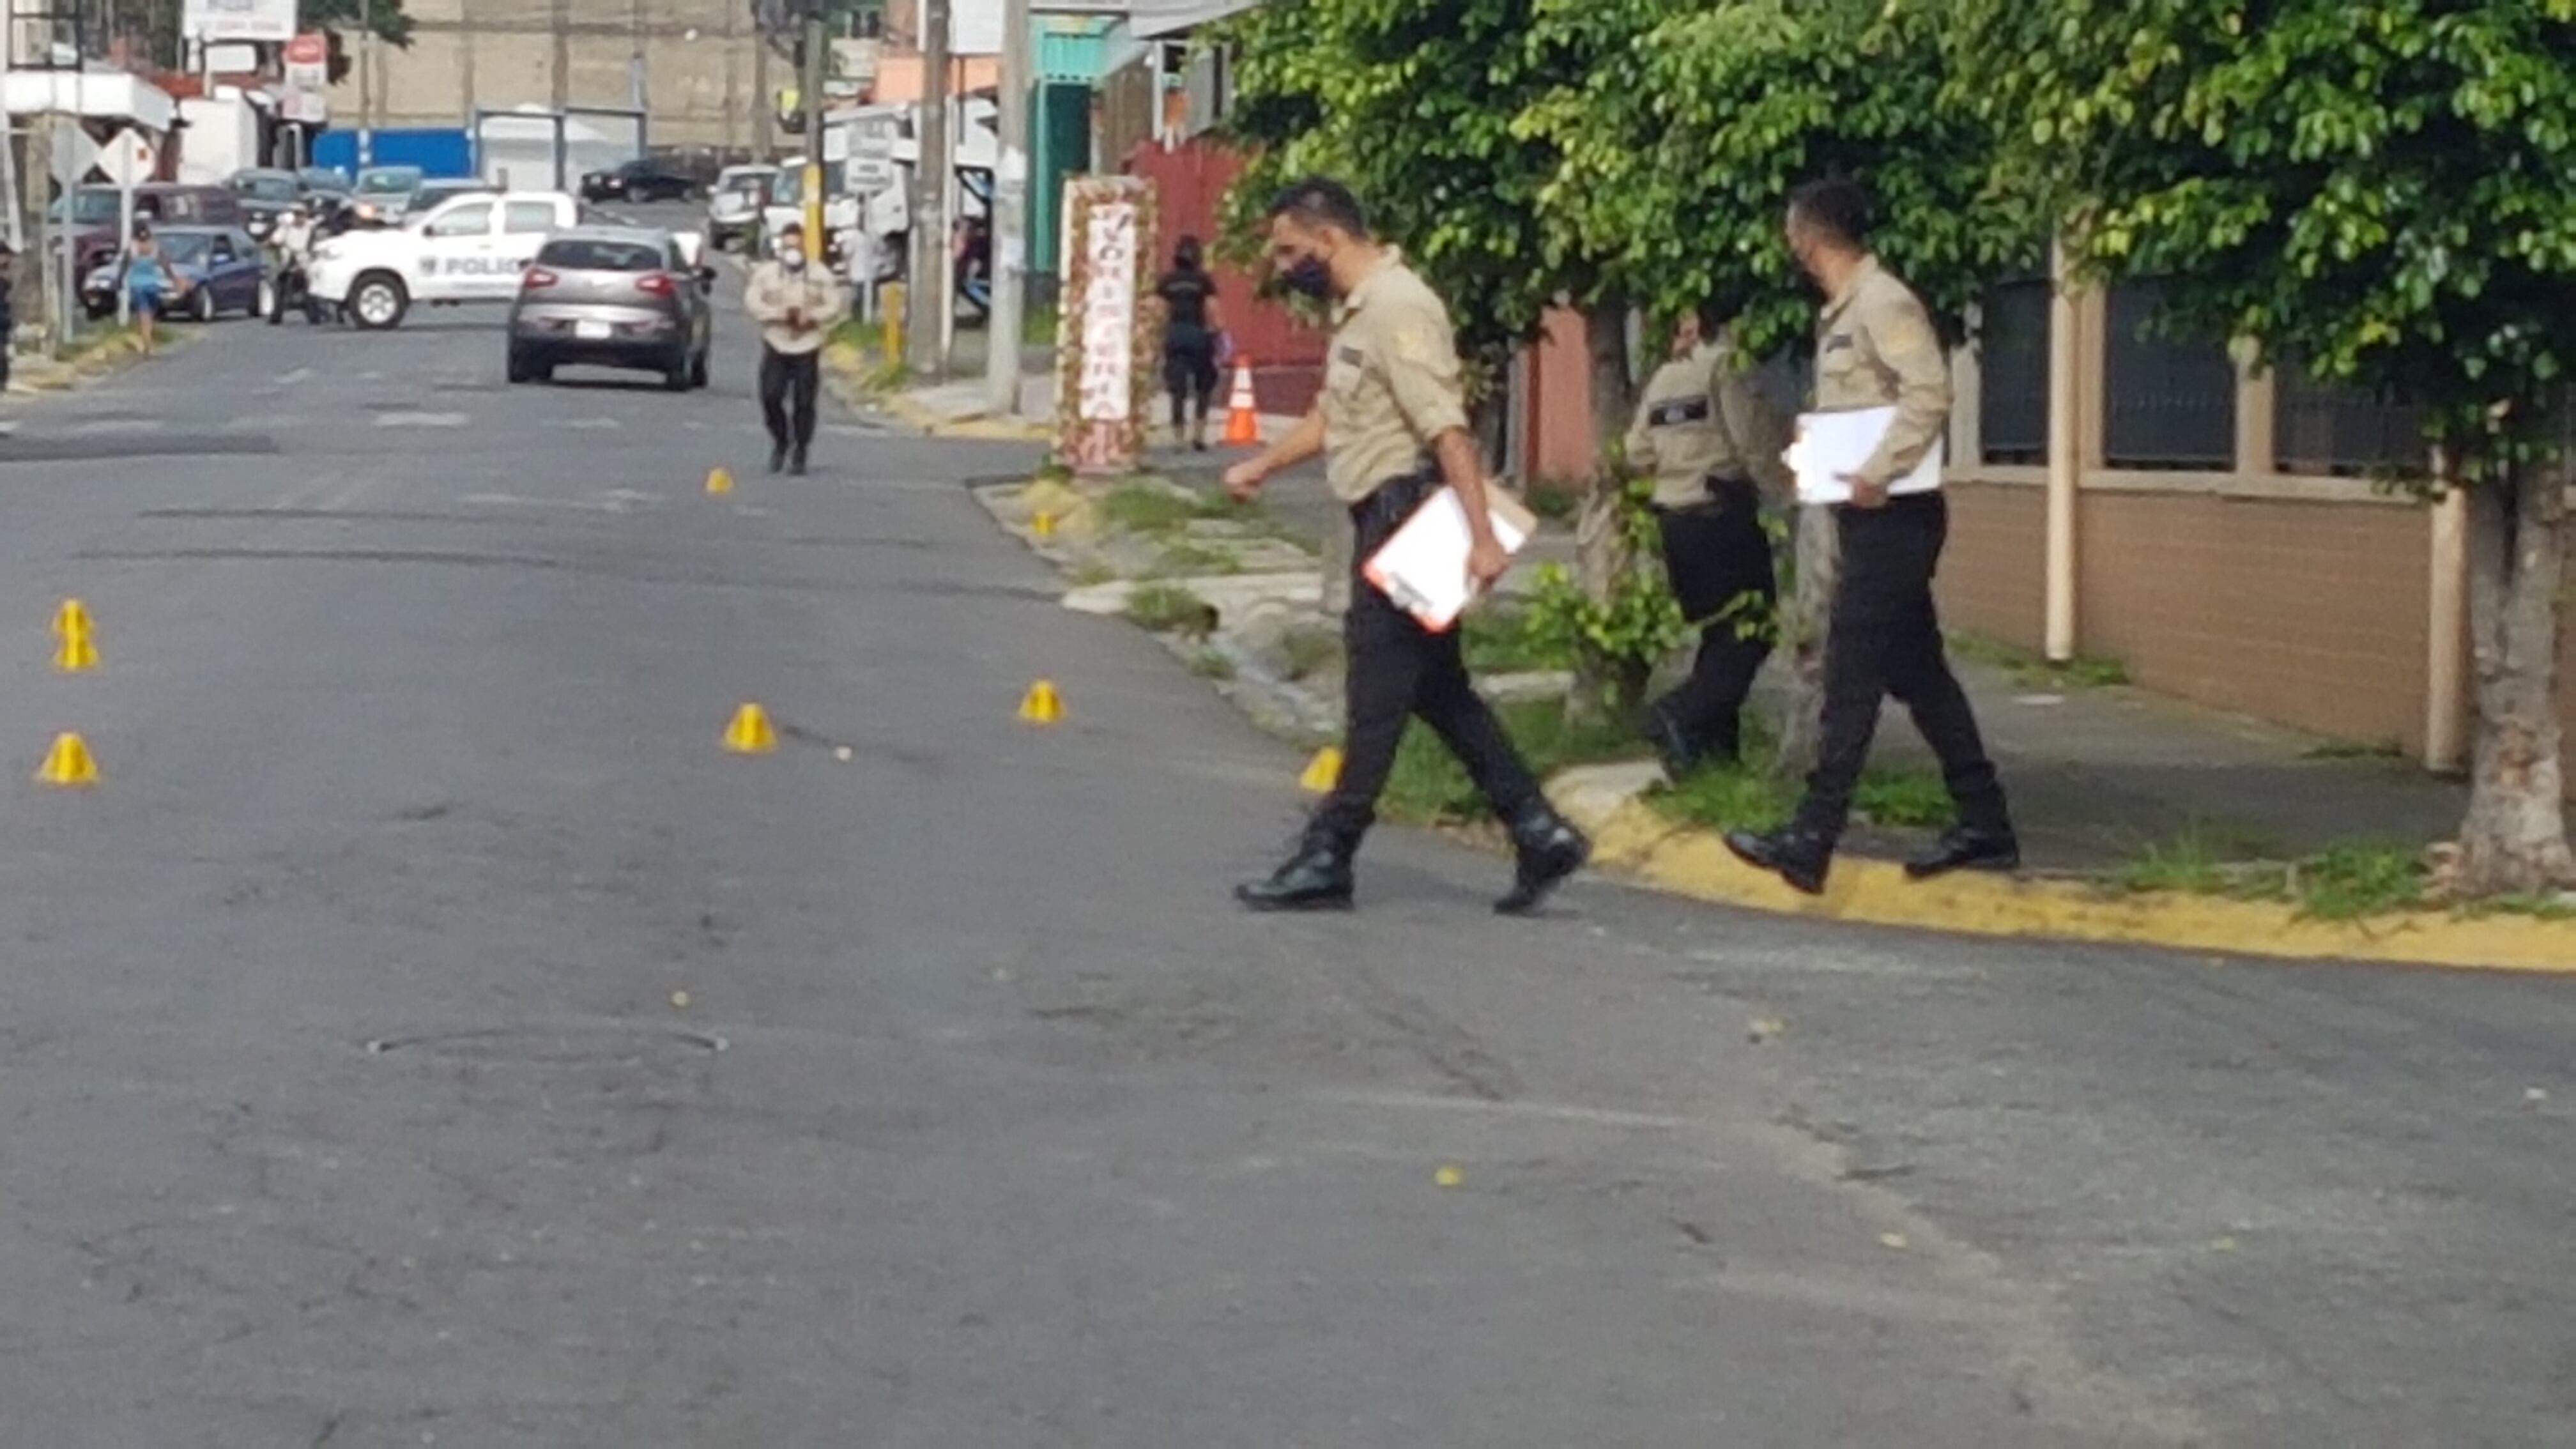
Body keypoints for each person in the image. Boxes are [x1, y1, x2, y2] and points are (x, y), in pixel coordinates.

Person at [1223, 176, 1588, 916]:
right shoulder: (1358, 313)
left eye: (1292, 249)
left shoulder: (1401, 307)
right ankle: (1538, 827)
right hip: (1380, 514)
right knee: (1437, 692)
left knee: (1376, 695)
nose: (1285, 263)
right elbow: (1336, 416)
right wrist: (1263, 464)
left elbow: (1444, 427)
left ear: (1329, 238)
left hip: (1406, 519)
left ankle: (1330, 849)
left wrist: (1483, 537)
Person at [1724, 178, 2017, 896]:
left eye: (1792, 229)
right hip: (1871, 517)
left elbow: (1929, 393)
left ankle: (1811, 838)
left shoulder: (1883, 302)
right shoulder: (1844, 312)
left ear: (1808, 234)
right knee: (1920, 675)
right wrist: (1818, 452)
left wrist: (1880, 470)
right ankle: (1986, 823)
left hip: (1897, 519)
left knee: (1851, 671)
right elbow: (1870, 408)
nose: (1789, 242)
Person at [1625, 300, 1789, 774]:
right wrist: (1780, 494)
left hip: (1675, 522)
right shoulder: (1724, 368)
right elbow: (1748, 442)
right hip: (1723, 515)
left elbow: (1636, 452)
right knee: (1753, 633)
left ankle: (1711, 753)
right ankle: (1676, 714)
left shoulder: (1663, 378)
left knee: (1720, 636)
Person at [742, 219, 846, 475]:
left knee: (804, 402)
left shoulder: (820, 274)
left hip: (807, 345)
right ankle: (780, 440)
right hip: (776, 342)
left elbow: (834, 305)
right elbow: (753, 301)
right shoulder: (766, 274)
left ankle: (800, 450)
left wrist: (812, 316)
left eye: (796, 247)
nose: (792, 252)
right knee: (770, 396)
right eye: (787, 247)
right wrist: (777, 313)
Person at [1154, 235, 1225, 450]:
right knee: (1203, 385)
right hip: (1198, 335)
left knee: (1178, 389)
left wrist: (1160, 339)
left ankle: (1178, 438)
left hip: (1175, 335)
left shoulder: (1167, 281)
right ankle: (1199, 435)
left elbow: (1159, 313)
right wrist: (1219, 333)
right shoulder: (1203, 280)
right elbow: (1213, 310)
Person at [122, 225, 182, 357]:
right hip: (152, 286)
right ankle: (148, 343)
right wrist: (173, 280)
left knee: (143, 317)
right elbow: (166, 265)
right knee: (150, 316)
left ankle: (147, 344)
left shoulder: (132, 249)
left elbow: (124, 266)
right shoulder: (155, 248)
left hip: (137, 286)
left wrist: (119, 281)